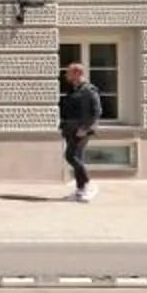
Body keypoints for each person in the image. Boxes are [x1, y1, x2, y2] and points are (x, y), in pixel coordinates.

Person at [58, 60, 103, 202]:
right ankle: (80, 189)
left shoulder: (89, 90)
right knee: (76, 157)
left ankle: (88, 184)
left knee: (72, 156)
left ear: (77, 73)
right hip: (70, 129)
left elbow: (96, 112)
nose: (66, 75)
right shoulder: (73, 90)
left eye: (69, 72)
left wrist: (85, 128)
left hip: (81, 130)